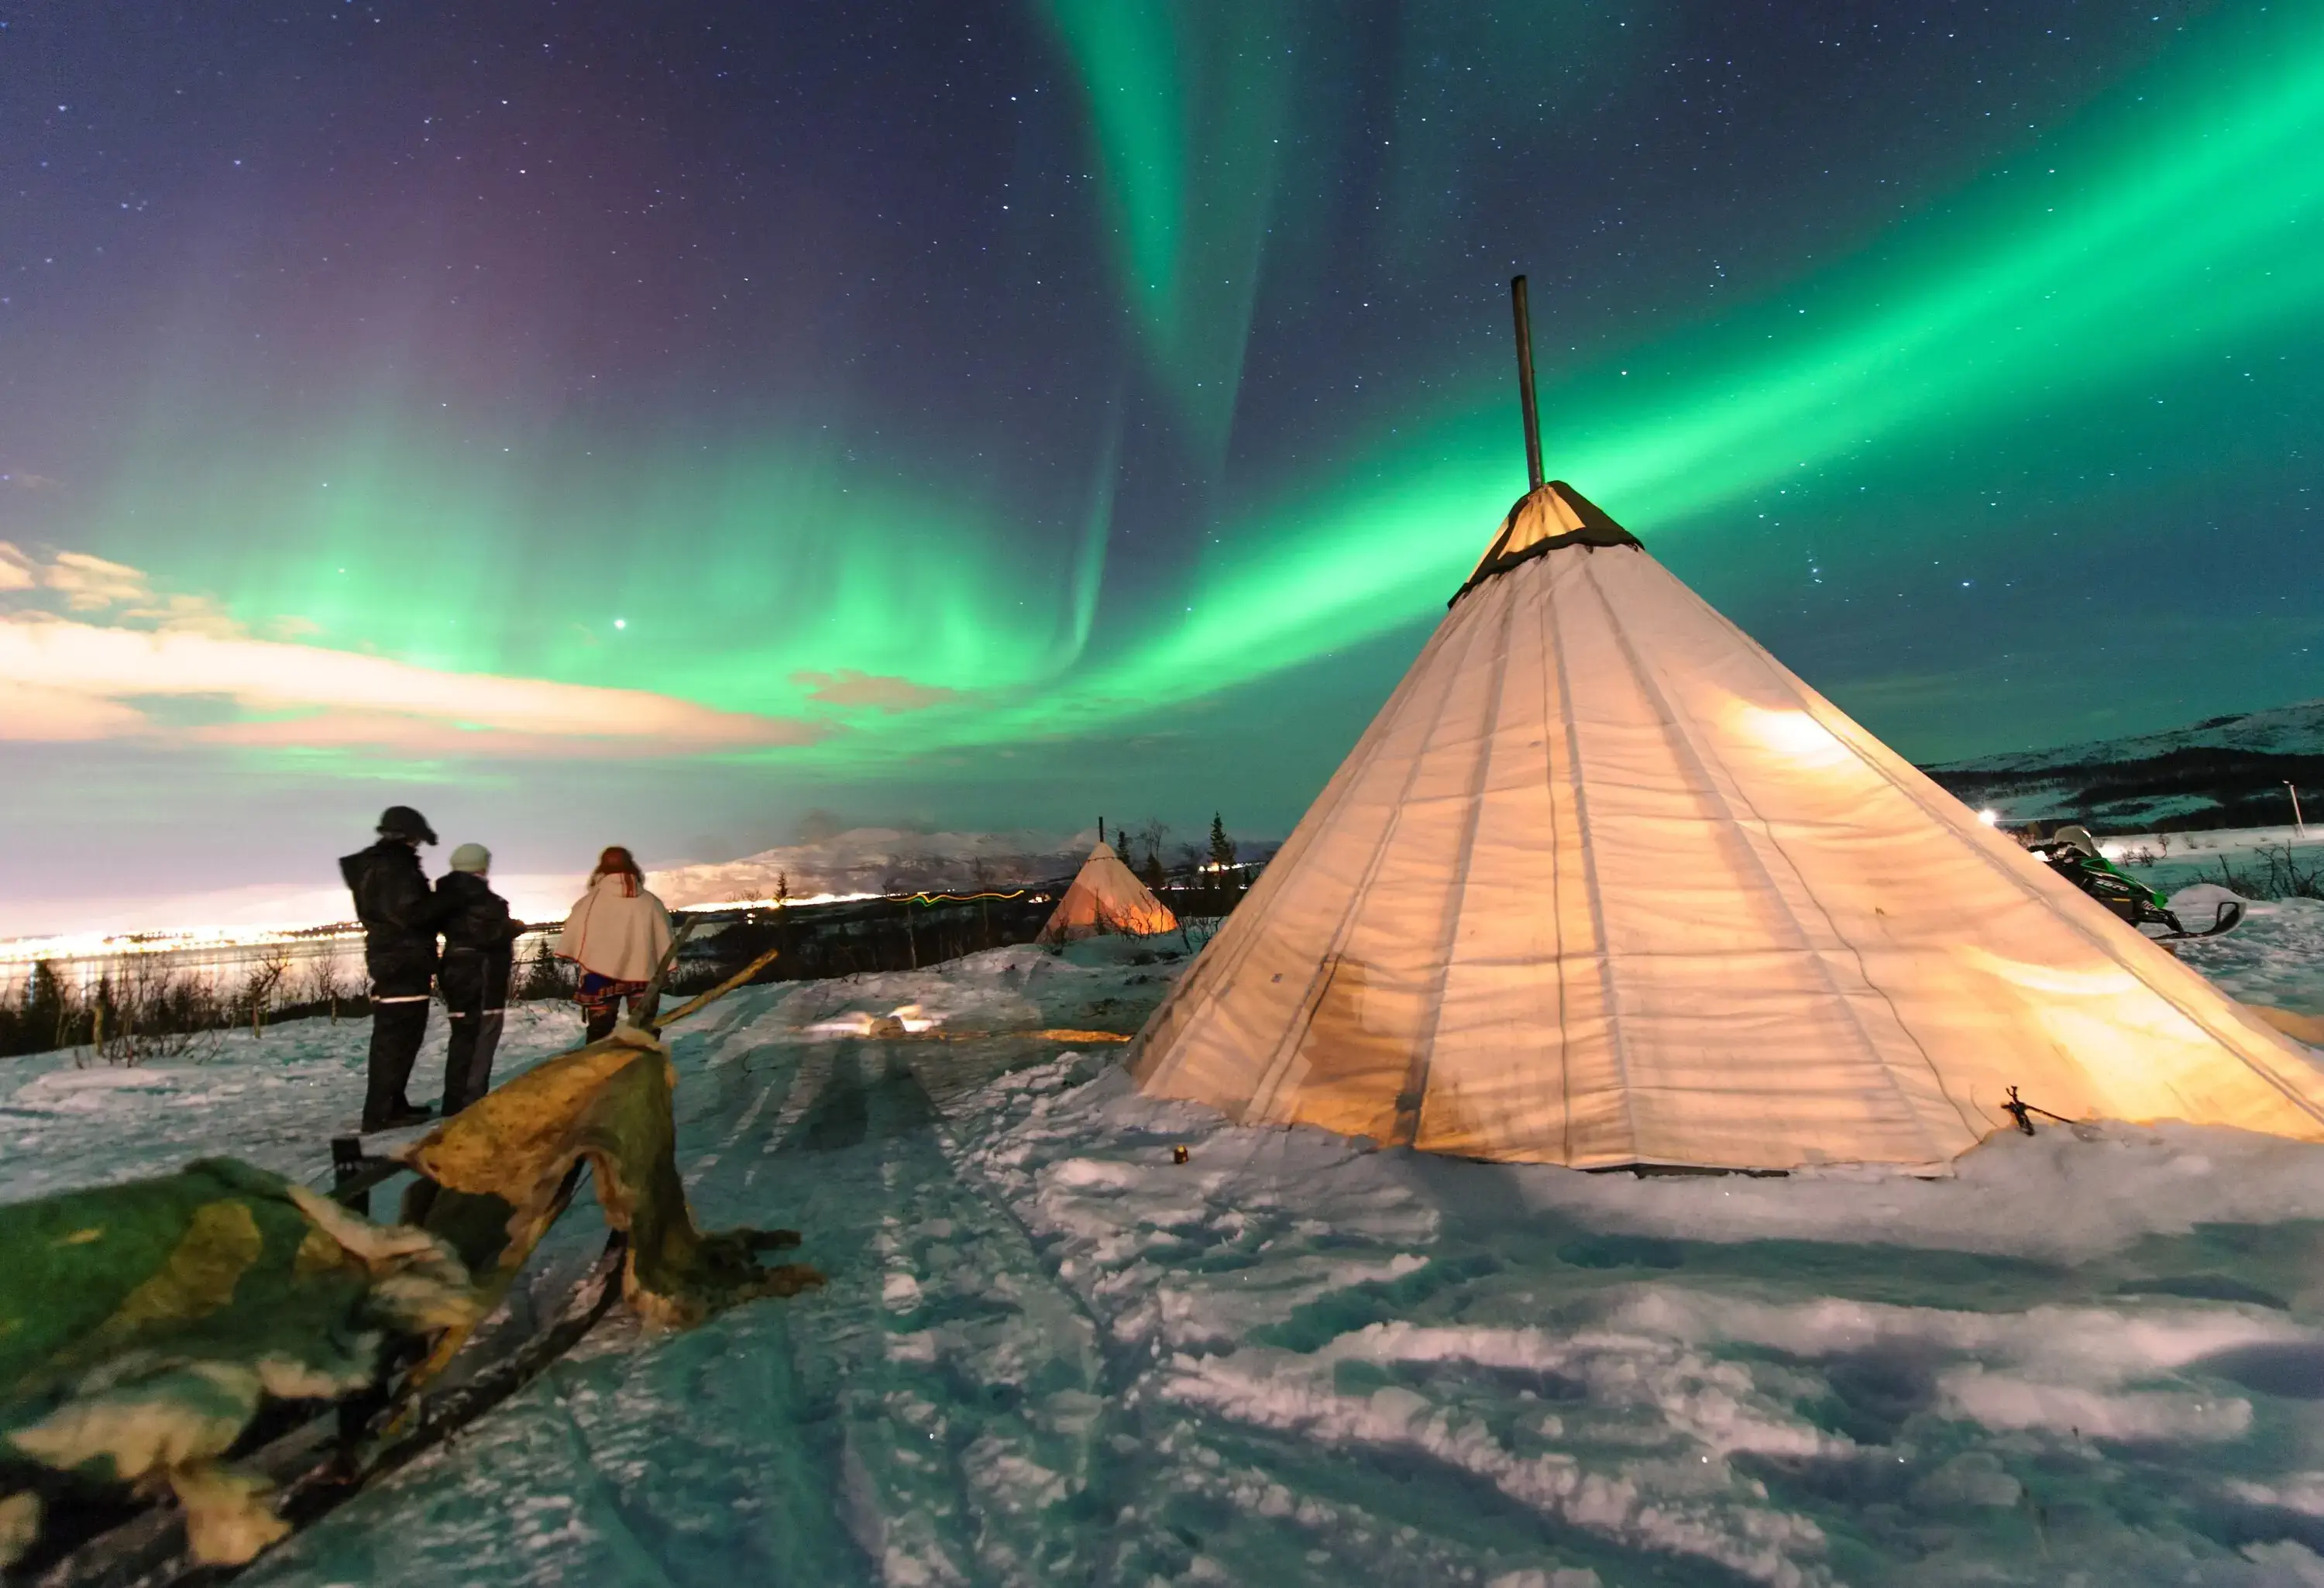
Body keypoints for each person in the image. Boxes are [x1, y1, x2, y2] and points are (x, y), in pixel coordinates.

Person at [339, 805, 447, 1131]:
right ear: (407, 836)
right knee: (397, 1039)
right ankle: (382, 1111)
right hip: (404, 959)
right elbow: (409, 913)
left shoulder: (379, 866)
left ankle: (391, 1104)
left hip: (394, 958)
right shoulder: (395, 868)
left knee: (398, 1039)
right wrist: (444, 901)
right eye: (417, 841)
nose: (418, 847)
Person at [435, 842, 525, 1116]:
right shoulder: (484, 901)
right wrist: (512, 927)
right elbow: (485, 933)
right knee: (484, 1036)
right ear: (481, 867)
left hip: (454, 975)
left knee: (462, 1037)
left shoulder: (442, 898)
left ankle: (454, 1099)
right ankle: (470, 1102)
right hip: (484, 975)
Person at [556, 846, 674, 1042]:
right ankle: (643, 1068)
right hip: (644, 972)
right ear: (633, 867)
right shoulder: (652, 903)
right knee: (643, 1030)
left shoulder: (588, 903)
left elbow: (574, 933)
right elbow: (665, 938)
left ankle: (600, 1068)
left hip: (598, 975)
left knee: (600, 1031)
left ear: (600, 870)